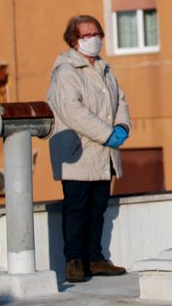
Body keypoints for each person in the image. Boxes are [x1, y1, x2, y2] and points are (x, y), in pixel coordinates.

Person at [46, 15, 131, 283]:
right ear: (74, 40)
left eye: (96, 34)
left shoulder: (106, 69)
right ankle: (74, 262)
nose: (93, 39)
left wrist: (123, 127)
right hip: (78, 153)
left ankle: (95, 258)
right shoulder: (66, 72)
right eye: (86, 35)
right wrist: (107, 134)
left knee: (98, 208)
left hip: (103, 155)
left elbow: (121, 101)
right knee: (77, 209)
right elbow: (73, 112)